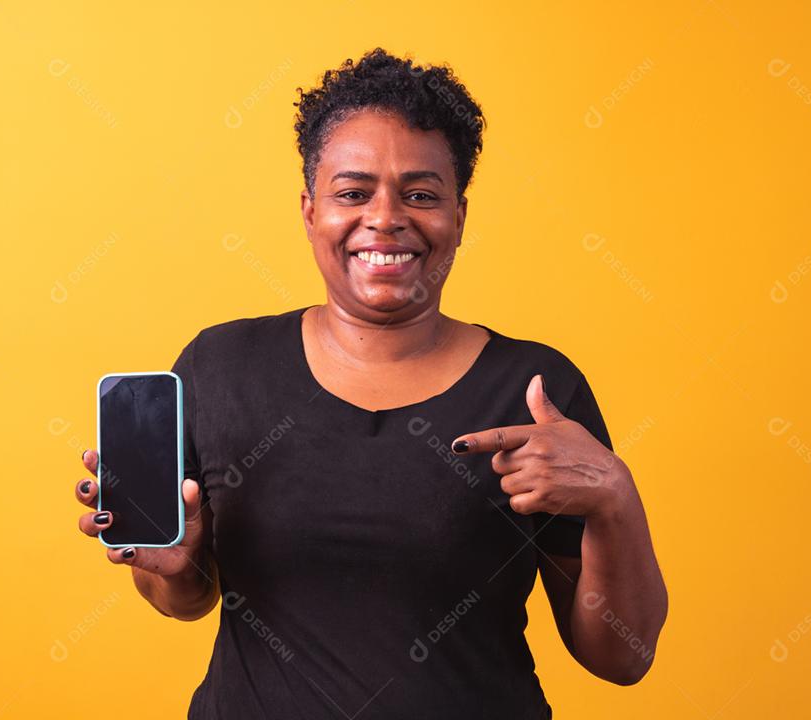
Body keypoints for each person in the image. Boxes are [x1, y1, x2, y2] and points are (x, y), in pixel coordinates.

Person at [74, 47, 667, 719]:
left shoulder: (535, 391)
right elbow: (187, 599)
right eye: (353, 193)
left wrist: (616, 500)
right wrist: (177, 569)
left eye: (420, 194)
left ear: (459, 216)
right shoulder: (218, 367)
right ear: (309, 210)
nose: (385, 218)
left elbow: (621, 657)